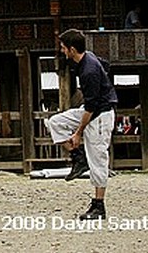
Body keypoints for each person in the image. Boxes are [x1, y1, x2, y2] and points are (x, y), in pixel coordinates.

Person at [44, 28, 118, 220]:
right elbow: (106, 65)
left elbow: (91, 107)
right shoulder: (88, 59)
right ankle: (78, 158)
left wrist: (78, 133)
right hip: (90, 110)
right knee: (55, 122)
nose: (62, 51)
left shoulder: (89, 71)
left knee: (98, 159)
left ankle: (99, 206)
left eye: (63, 47)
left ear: (72, 49)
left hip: (99, 116)